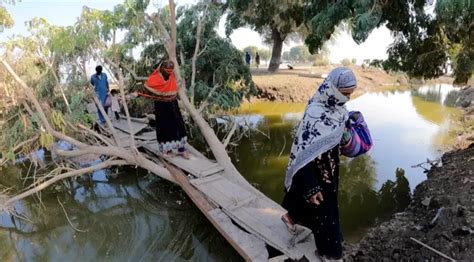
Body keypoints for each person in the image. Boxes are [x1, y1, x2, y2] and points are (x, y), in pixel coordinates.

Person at [281, 67, 357, 261]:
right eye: (345, 94)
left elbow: (338, 132)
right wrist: (311, 186)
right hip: (314, 172)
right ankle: (330, 254)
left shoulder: (339, 109)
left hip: (331, 167)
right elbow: (302, 153)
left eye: (350, 95)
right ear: (333, 89)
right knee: (326, 212)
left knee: (321, 207)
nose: (347, 99)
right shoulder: (315, 111)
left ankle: (291, 217)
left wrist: (348, 131)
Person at [138, 60, 189, 159]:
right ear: (162, 69)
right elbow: (146, 88)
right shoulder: (154, 78)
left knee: (179, 125)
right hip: (161, 106)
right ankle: (167, 150)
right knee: (165, 126)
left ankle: (181, 149)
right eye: (167, 71)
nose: (169, 74)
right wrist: (159, 94)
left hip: (173, 105)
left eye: (171, 71)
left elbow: (174, 89)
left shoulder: (172, 77)